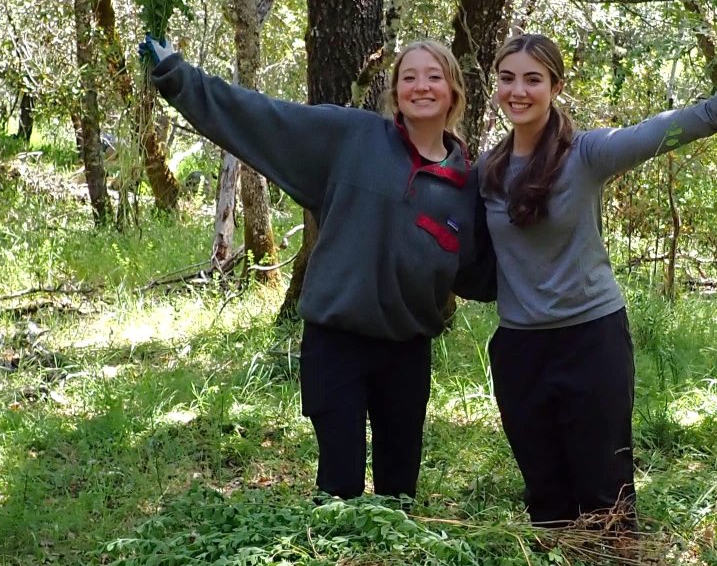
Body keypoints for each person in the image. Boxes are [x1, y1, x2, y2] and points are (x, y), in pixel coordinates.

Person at [138, 35, 485, 503]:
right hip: (336, 343)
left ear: (454, 92)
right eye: (408, 77)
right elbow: (262, 118)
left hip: (408, 353)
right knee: (337, 489)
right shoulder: (353, 138)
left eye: (433, 77)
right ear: (395, 93)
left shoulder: (469, 186)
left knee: (399, 494)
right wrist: (178, 78)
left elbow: (490, 268)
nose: (420, 86)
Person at [476, 32, 717, 529]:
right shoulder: (487, 170)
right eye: (507, 78)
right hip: (519, 349)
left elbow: (661, 131)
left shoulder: (585, 154)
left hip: (591, 339)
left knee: (606, 490)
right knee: (545, 491)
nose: (518, 90)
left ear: (555, 87)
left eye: (532, 79)